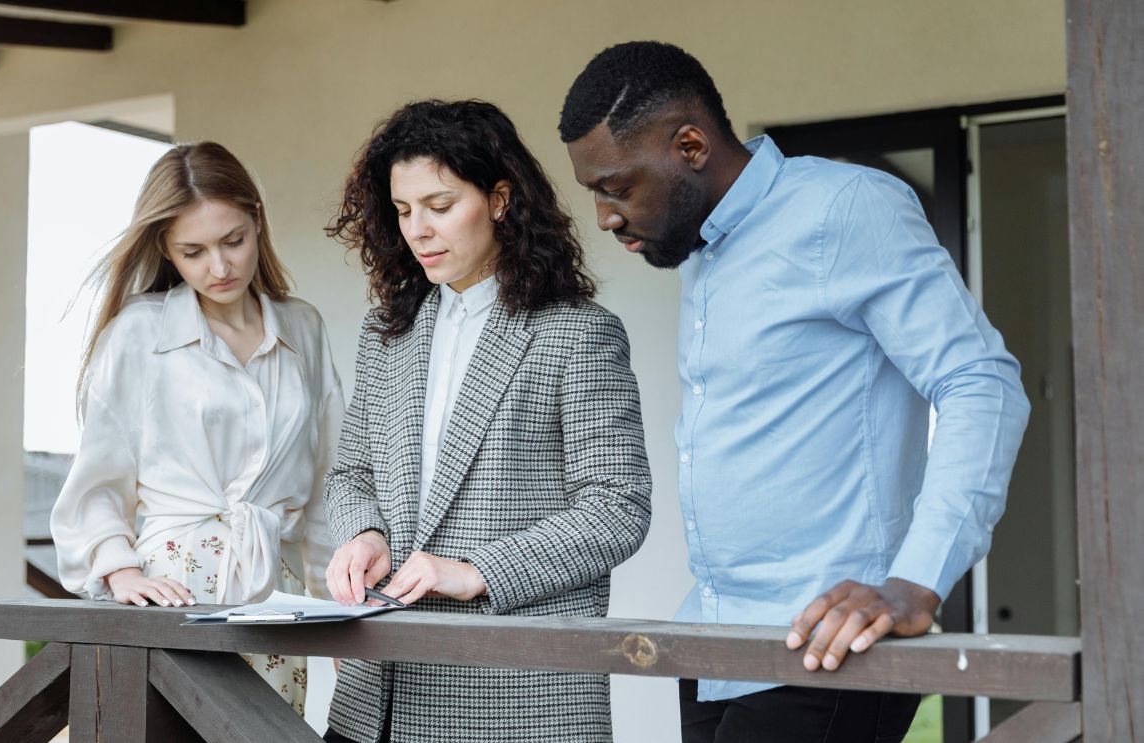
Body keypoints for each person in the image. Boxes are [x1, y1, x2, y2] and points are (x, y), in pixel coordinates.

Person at [560, 42, 1030, 742]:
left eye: (616, 186)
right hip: (716, 638)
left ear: (689, 145)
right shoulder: (706, 246)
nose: (604, 216)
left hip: (824, 642)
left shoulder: (843, 209)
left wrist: (915, 581)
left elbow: (978, 382)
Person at [321, 99, 652, 743]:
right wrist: (361, 533)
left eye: (439, 206)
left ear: (500, 200)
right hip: (373, 699)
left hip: (515, 700)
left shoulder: (579, 334)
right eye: (402, 210)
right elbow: (352, 470)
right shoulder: (386, 331)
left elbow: (618, 506)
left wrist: (476, 571)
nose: (417, 229)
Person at [50, 141, 343, 715]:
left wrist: (333, 606)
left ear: (257, 220)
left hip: (273, 602)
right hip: (170, 591)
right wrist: (120, 566)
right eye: (194, 251)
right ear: (167, 250)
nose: (220, 266)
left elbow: (328, 479)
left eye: (233, 240)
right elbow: (98, 476)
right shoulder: (139, 334)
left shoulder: (302, 328)